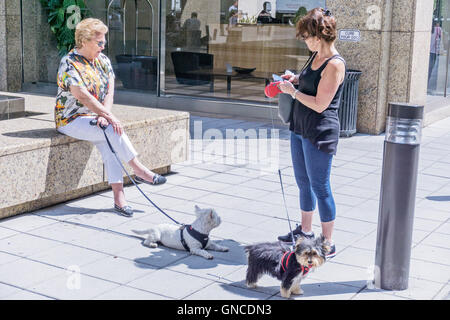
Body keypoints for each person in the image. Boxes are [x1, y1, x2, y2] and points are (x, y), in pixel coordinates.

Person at [55, 18, 166, 218]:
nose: (103, 46)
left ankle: (119, 198)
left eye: (104, 41)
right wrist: (107, 116)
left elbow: (109, 93)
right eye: (99, 42)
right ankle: (139, 170)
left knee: (109, 140)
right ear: (84, 41)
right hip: (71, 119)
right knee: (110, 130)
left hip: (96, 116)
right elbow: (82, 96)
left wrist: (105, 115)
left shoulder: (103, 61)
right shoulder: (69, 62)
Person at [277, 8, 346, 260]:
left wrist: (292, 92)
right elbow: (309, 82)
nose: (305, 40)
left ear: (318, 36)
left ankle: (328, 242)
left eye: (306, 36)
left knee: (320, 186)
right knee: (303, 182)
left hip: (319, 132)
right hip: (300, 126)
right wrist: (294, 79)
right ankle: (305, 232)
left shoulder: (335, 64)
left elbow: (320, 103)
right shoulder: (315, 56)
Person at [428, 21, 442, 88]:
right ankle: (427, 83)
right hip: (433, 52)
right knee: (430, 69)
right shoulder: (438, 29)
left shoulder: (428, 28)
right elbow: (444, 37)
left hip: (426, 51)